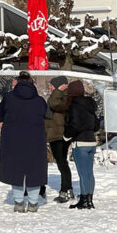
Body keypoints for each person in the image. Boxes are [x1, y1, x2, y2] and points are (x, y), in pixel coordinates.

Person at [0, 71, 49, 212]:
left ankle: (19, 202)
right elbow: (47, 114)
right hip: (35, 140)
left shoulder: (8, 98)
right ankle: (33, 203)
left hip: (13, 140)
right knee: (34, 171)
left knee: (16, 171)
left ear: (17, 83)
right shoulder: (39, 101)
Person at [63, 79, 101, 210]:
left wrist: (66, 135)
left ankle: (84, 199)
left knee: (83, 173)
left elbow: (74, 125)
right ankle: (89, 199)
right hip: (91, 141)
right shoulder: (90, 105)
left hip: (80, 142)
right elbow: (96, 125)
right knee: (89, 173)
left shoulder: (74, 106)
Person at [45, 75, 74, 203]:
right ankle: (67, 189)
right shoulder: (59, 95)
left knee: (62, 163)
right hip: (54, 134)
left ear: (58, 86)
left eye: (52, 85)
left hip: (59, 135)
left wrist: (58, 90)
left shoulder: (64, 96)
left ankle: (65, 190)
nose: (50, 87)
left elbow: (56, 105)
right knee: (62, 163)